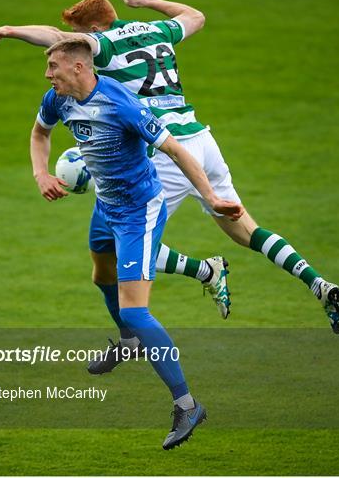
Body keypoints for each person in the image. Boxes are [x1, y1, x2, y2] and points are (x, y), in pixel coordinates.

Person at [0, 0, 339, 341]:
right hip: (202, 141)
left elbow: (52, 37)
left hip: (166, 151)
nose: (74, 44)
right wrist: (147, 0)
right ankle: (316, 282)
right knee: (246, 231)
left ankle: (205, 271)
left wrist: (10, 30)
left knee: (126, 244)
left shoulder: (102, 45)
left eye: (77, 37)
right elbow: (196, 16)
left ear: (92, 30)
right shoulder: (156, 30)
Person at [33, 38, 244, 449]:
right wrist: (41, 173)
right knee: (101, 274)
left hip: (138, 211)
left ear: (79, 68)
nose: (47, 74)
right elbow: (40, 133)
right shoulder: (58, 99)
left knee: (136, 309)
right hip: (105, 204)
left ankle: (187, 405)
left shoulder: (122, 103)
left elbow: (177, 150)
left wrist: (214, 198)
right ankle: (128, 343)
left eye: (54, 66)